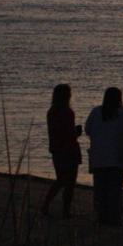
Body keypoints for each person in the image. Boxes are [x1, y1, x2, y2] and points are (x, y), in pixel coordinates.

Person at [84, 87, 123, 226]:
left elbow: (88, 130)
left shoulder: (96, 112)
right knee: (115, 190)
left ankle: (101, 216)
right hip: (117, 157)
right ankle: (114, 218)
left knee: (100, 189)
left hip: (99, 157)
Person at [42, 84, 82, 217]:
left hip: (56, 149)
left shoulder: (51, 111)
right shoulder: (67, 112)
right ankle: (65, 210)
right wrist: (77, 132)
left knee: (60, 180)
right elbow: (69, 134)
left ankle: (46, 204)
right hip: (69, 150)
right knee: (70, 182)